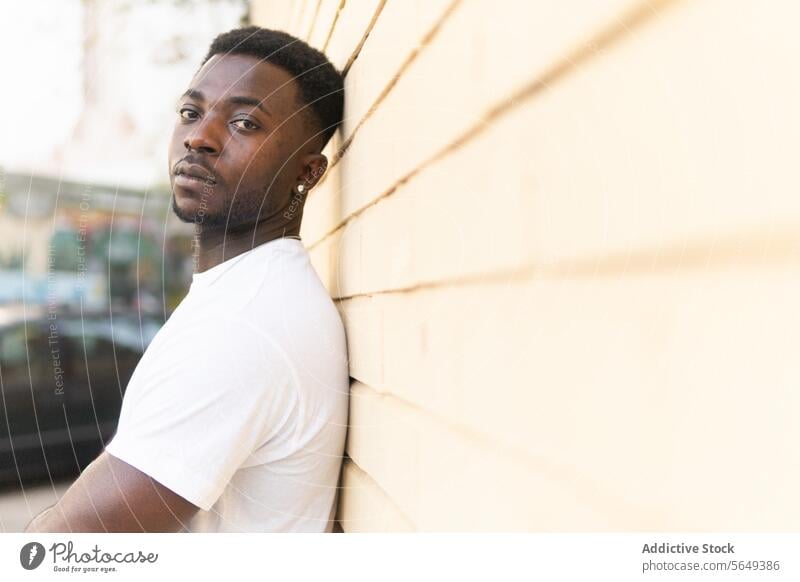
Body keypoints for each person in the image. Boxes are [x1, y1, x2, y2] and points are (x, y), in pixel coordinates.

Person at [26, 26, 349, 533]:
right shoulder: (246, 293)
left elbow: (63, 551)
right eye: (190, 112)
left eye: (244, 122)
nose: (199, 137)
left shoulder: (242, 324)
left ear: (307, 172)